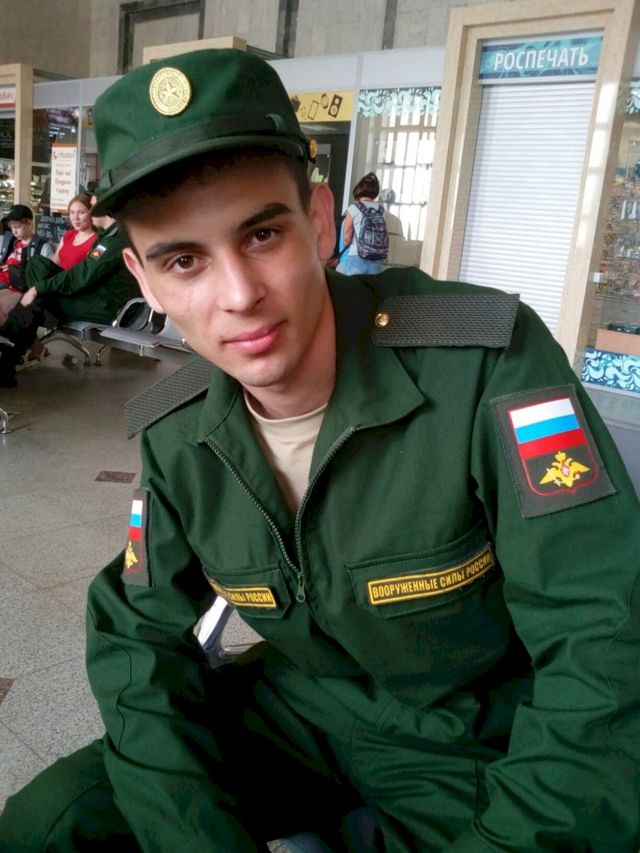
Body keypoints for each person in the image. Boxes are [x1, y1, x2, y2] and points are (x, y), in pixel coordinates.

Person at [1, 48, 639, 853]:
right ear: (145, 279)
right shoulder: (178, 427)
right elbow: (136, 631)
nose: (238, 295)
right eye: (184, 260)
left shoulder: (485, 365)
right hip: (298, 708)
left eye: (262, 233)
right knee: (47, 826)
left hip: (470, 732)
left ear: (320, 220)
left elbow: (606, 638)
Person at [20, 198, 140, 326]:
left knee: (34, 307)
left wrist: (38, 289)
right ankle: (37, 308)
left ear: (104, 208)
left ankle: (34, 312)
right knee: (35, 263)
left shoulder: (114, 240)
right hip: (91, 294)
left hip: (106, 307)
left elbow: (82, 273)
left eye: (91, 207)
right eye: (72, 212)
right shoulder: (107, 235)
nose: (90, 212)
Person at [0, 203, 54, 324]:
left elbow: (48, 275)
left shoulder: (42, 246)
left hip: (18, 288)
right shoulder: (10, 242)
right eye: (11, 227)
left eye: (17, 226)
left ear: (29, 223)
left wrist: (16, 270)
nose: (14, 231)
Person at [336, 171, 388, 275]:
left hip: (357, 256)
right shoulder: (382, 211)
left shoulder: (354, 208)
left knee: (354, 284)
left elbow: (346, 239)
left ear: (358, 191)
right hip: (376, 259)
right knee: (371, 285)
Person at [50, 192, 98, 269]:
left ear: (91, 214)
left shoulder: (98, 241)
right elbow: (53, 264)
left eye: (81, 213)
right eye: (72, 212)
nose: (75, 218)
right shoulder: (68, 235)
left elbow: (90, 270)